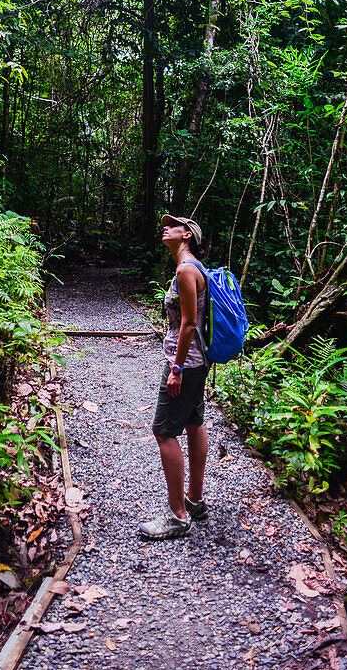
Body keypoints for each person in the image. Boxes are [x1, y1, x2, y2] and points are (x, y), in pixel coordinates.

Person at [139, 213, 209, 540]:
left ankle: (177, 516)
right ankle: (194, 499)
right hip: (199, 361)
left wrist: (176, 369)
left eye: (173, 225)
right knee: (194, 423)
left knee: (164, 431)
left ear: (187, 235)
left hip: (187, 363)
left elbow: (189, 323)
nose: (165, 227)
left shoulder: (185, 270)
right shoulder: (195, 267)